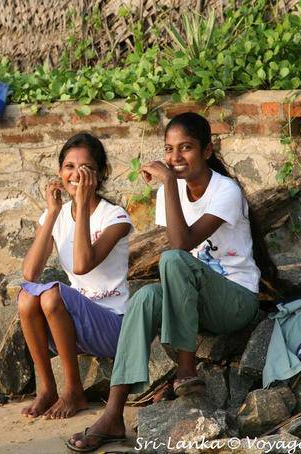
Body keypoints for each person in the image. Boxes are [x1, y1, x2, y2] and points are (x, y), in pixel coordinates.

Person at [67, 112, 280, 451]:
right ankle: (113, 413)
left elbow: (181, 246)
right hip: (198, 299)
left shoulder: (225, 190)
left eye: (186, 148)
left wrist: (168, 184)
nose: (175, 158)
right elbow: (180, 251)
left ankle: (186, 368)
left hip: (235, 300)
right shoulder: (171, 192)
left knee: (172, 258)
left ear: (207, 151)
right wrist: (170, 188)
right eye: (169, 149)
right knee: (144, 299)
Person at [18, 133, 134, 419]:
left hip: (113, 325)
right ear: (60, 172)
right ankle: (47, 388)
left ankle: (74, 391)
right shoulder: (55, 214)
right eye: (69, 167)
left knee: (53, 295)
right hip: (71, 328)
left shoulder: (115, 217)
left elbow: (83, 265)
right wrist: (53, 212)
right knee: (26, 298)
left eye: (86, 168)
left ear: (100, 174)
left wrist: (82, 206)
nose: (76, 174)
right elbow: (30, 273)